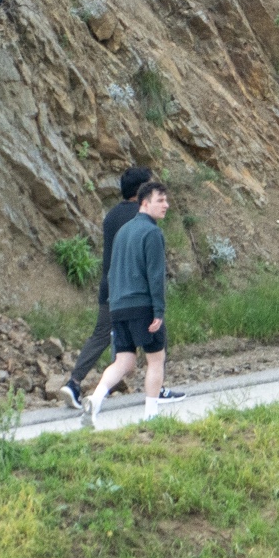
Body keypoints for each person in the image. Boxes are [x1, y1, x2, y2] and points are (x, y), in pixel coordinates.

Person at [60, 165, 185, 410]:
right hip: (135, 292)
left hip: (110, 288)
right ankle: (156, 390)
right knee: (156, 340)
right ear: (141, 193)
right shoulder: (141, 220)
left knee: (101, 336)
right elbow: (149, 264)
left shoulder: (111, 216)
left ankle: (74, 383)